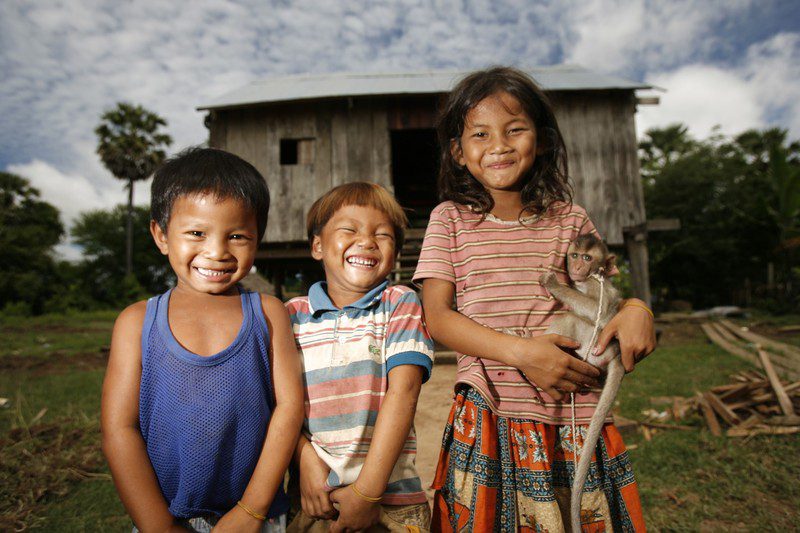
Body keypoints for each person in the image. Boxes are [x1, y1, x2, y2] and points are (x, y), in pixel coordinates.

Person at [413, 67, 657, 532]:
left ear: (541, 141)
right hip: (490, 412)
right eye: (480, 134)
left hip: (573, 414)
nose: (498, 144)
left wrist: (637, 310)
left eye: (515, 129)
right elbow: (439, 319)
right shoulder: (450, 221)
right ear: (458, 153)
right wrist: (522, 352)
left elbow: (607, 295)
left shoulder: (571, 219)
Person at [101, 147, 304, 533]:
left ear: (257, 239)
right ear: (161, 235)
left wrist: (251, 510)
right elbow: (118, 429)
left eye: (237, 236)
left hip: (256, 518)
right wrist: (158, 526)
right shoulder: (136, 322)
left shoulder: (267, 312)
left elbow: (289, 408)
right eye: (196, 233)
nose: (216, 251)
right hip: (163, 515)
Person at [285, 182, 434, 532]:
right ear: (318, 246)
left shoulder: (399, 303)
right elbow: (277, 402)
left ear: (395, 253)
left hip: (391, 499)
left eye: (382, 235)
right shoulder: (290, 315)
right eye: (349, 230)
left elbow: (404, 392)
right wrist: (304, 458)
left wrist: (368, 493)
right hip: (314, 498)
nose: (367, 241)